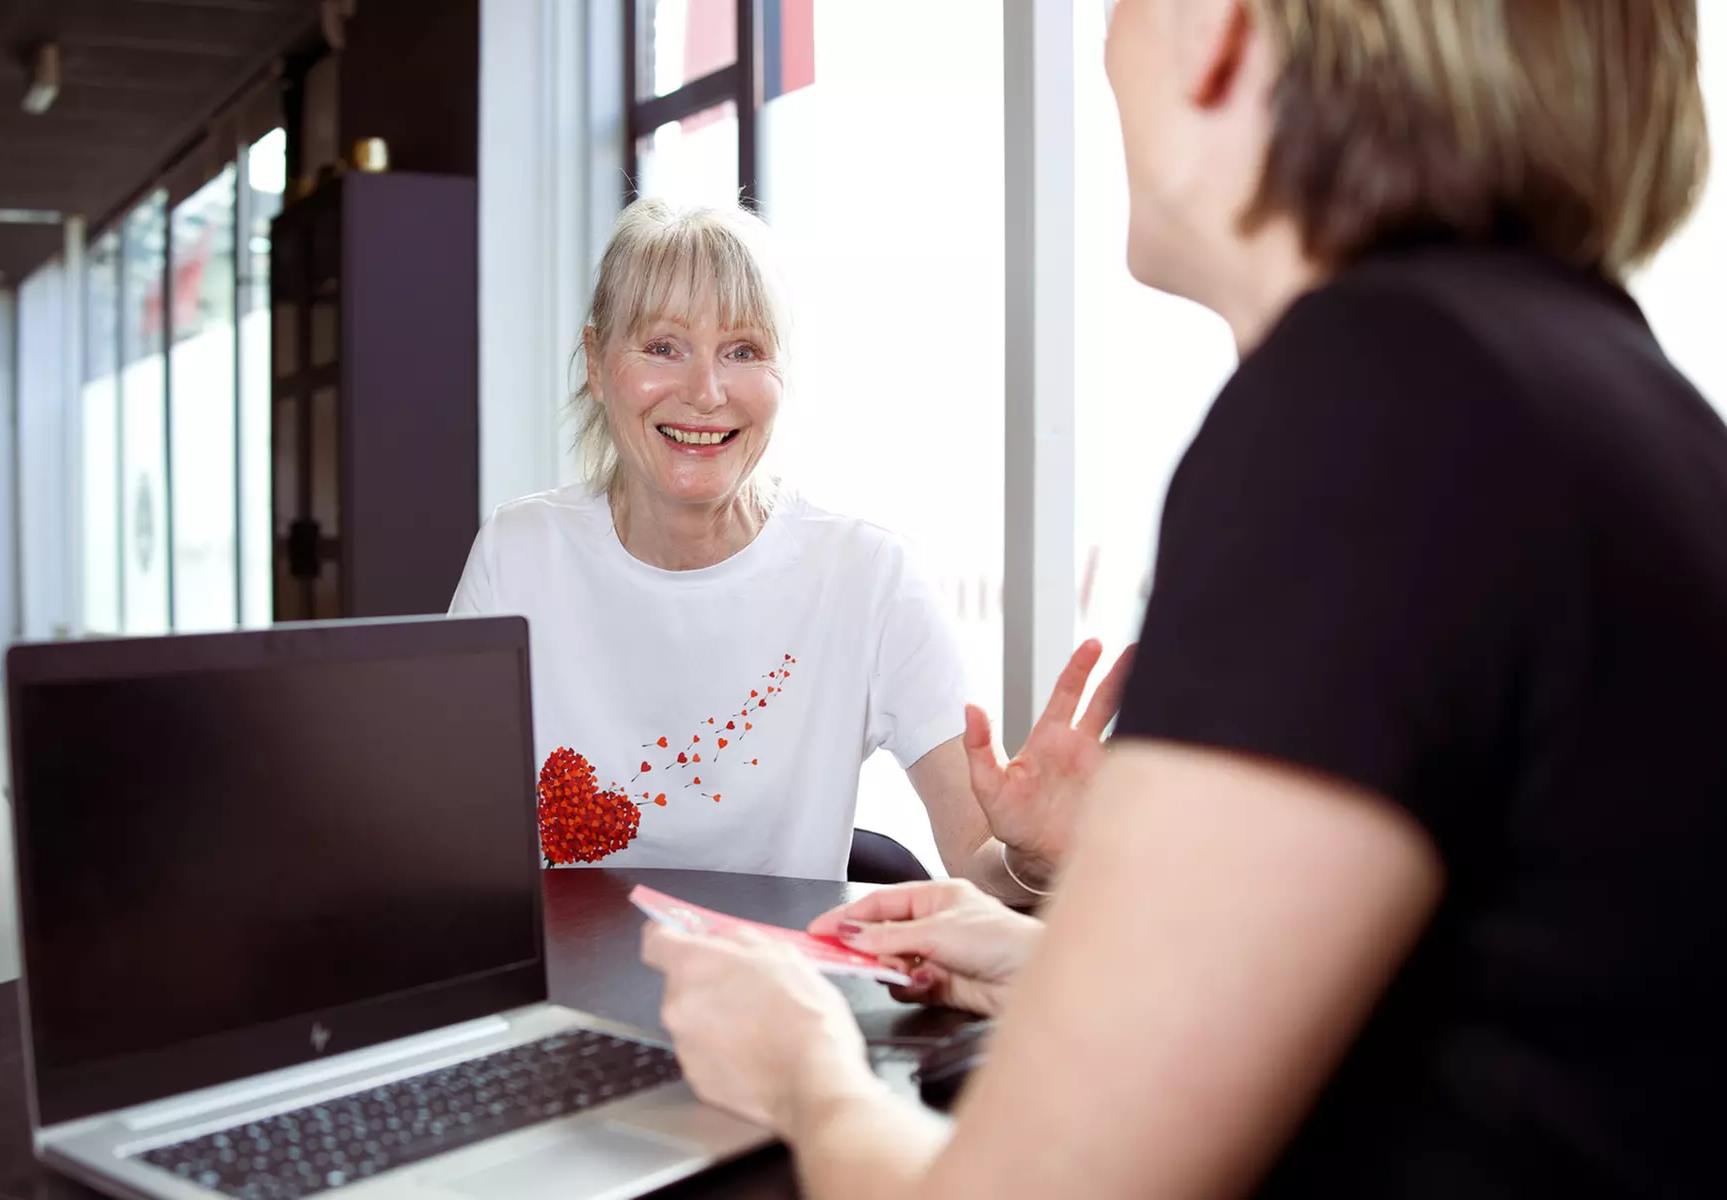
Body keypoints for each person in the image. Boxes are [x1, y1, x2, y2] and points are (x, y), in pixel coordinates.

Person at [642, 0, 1724, 1195]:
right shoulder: (1619, 404)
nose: (1107, 46)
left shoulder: (1373, 407)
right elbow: (1477, 1031)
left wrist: (802, 1067)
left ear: (1219, 32)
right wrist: (1041, 959)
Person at [452, 198, 1128, 898]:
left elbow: (979, 862)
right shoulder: (518, 554)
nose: (705, 392)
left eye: (742, 351)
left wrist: (1040, 855)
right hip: (563, 993)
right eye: (662, 347)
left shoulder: (866, 577)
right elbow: (443, 829)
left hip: (781, 998)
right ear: (596, 364)